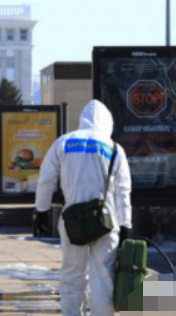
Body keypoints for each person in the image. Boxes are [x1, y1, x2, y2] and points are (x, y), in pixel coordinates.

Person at [35, 100, 132, 316]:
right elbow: (122, 191)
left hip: (72, 221)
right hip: (106, 221)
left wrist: (42, 211)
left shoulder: (63, 143)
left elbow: (46, 179)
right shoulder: (115, 148)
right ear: (108, 122)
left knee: (72, 275)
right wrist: (126, 225)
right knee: (103, 277)